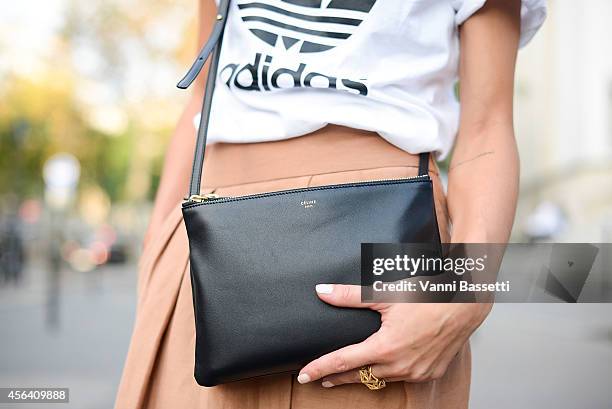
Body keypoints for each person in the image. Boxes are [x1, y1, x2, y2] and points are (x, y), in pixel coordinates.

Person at [115, 0, 546, 407]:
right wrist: (156, 253)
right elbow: (202, 94)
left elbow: (486, 126)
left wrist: (464, 295)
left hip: (385, 226)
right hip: (208, 234)